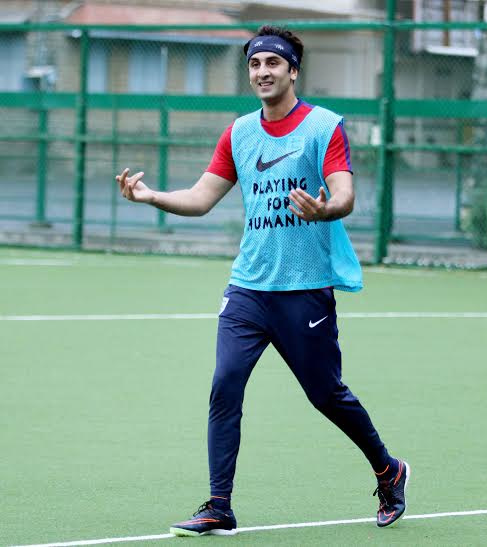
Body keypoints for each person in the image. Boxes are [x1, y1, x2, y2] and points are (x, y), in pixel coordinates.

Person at [116, 25, 409, 537]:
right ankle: (218, 505)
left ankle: (389, 469)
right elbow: (202, 198)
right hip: (249, 288)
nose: (262, 72)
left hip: (304, 290)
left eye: (272, 63)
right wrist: (151, 197)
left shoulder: (323, 127)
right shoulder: (239, 132)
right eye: (254, 64)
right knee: (225, 385)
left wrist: (325, 210)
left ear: (293, 70)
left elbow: (344, 194)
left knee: (327, 396)